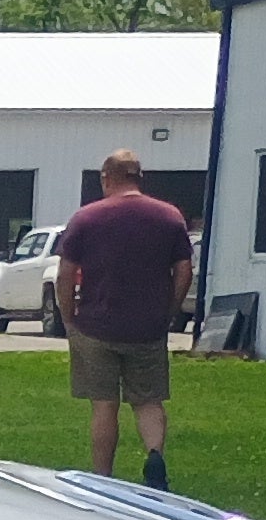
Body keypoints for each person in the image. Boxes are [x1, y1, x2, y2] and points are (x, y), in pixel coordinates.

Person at [52, 148, 196, 489]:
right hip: (147, 326)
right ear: (138, 178)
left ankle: (104, 478)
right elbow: (184, 270)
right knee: (148, 400)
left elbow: (66, 272)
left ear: (106, 178)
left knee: (104, 405)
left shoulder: (86, 218)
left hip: (95, 325)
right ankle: (155, 456)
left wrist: (67, 315)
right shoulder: (169, 217)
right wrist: (169, 310)